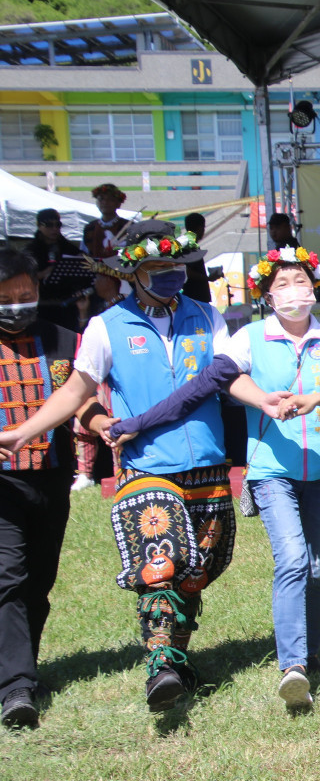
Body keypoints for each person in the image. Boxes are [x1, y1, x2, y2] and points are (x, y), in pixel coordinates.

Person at [104, 245, 320, 712]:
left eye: (300, 281)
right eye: (281, 283)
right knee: (291, 559)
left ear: (315, 287)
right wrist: (137, 422)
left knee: (319, 569)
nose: (293, 291)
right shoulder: (248, 339)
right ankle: (293, 667)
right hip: (271, 470)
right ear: (266, 294)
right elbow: (201, 388)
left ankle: (311, 652)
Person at [0, 220, 235, 714]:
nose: (170, 273)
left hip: (209, 464)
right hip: (146, 463)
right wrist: (23, 431)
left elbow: (230, 379)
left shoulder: (209, 318)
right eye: (157, 266)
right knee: (160, 562)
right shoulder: (106, 326)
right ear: (132, 272)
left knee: (196, 571)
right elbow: (75, 391)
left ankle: (177, 656)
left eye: (175, 265)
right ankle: (159, 667)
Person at [0, 249, 92, 729]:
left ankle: (23, 670)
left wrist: (101, 423)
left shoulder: (65, 341)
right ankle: (15, 688)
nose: (18, 305)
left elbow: (85, 399)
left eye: (26, 294)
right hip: (2, 485)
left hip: (52, 476)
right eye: (6, 298)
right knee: (8, 578)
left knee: (38, 583)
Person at [27, 208, 91, 333]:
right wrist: (44, 273)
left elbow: (85, 260)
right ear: (39, 226)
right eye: (49, 225)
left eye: (58, 225)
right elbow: (24, 277)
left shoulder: (66, 246)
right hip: (42, 306)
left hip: (66, 305)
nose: (55, 229)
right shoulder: (31, 250)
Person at [181, 213, 212, 303]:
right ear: (200, 228)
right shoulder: (189, 245)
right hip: (195, 296)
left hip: (195, 296)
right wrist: (208, 278)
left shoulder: (188, 244)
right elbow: (187, 271)